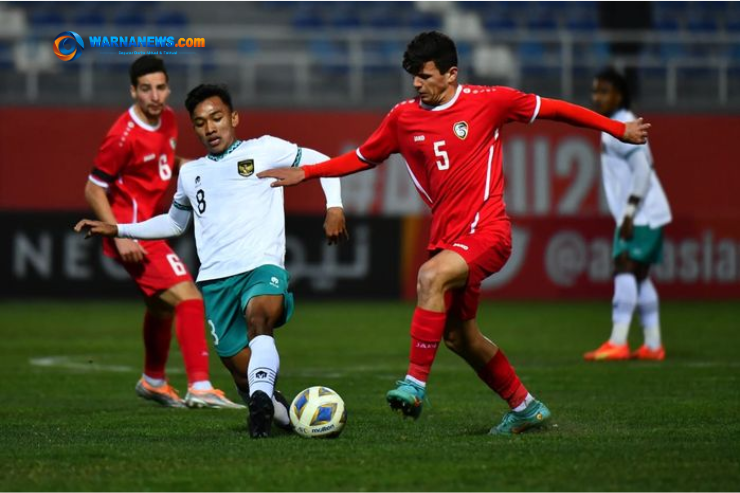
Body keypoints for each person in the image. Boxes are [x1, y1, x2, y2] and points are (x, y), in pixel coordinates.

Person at [258, 31, 651, 435]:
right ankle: (526, 407)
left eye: (425, 76)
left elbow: (555, 110)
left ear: (451, 74)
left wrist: (617, 130)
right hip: (447, 238)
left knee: (430, 276)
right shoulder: (402, 118)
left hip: (489, 230)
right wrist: (308, 172)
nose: (416, 83)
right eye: (413, 75)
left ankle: (414, 384)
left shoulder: (490, 101)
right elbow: (362, 157)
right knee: (462, 338)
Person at [76, 83, 347, 438]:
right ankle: (278, 413)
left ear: (233, 118)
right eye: (201, 122)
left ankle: (262, 403)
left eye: (217, 118)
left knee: (259, 320)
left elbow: (321, 160)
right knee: (243, 377)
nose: (210, 127)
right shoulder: (191, 173)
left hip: (261, 267)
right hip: (217, 282)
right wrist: (118, 229)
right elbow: (174, 222)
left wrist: (335, 206)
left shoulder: (264, 149)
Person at [85, 56, 241, 409]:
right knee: (188, 298)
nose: (154, 96)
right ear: (133, 91)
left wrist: (204, 168)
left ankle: (154, 380)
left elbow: (163, 164)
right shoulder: (121, 137)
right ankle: (200, 386)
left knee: (161, 308)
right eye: (145, 89)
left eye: (159, 87)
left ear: (167, 88)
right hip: (133, 233)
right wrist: (121, 235)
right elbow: (93, 189)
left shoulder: (169, 119)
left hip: (149, 230)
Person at [584, 67, 671, 361]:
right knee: (641, 277)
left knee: (623, 267)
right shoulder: (615, 123)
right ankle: (653, 344)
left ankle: (618, 341)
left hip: (641, 214)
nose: (597, 97)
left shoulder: (621, 124)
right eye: (595, 91)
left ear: (619, 94)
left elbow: (643, 172)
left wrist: (631, 212)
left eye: (604, 91)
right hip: (648, 212)